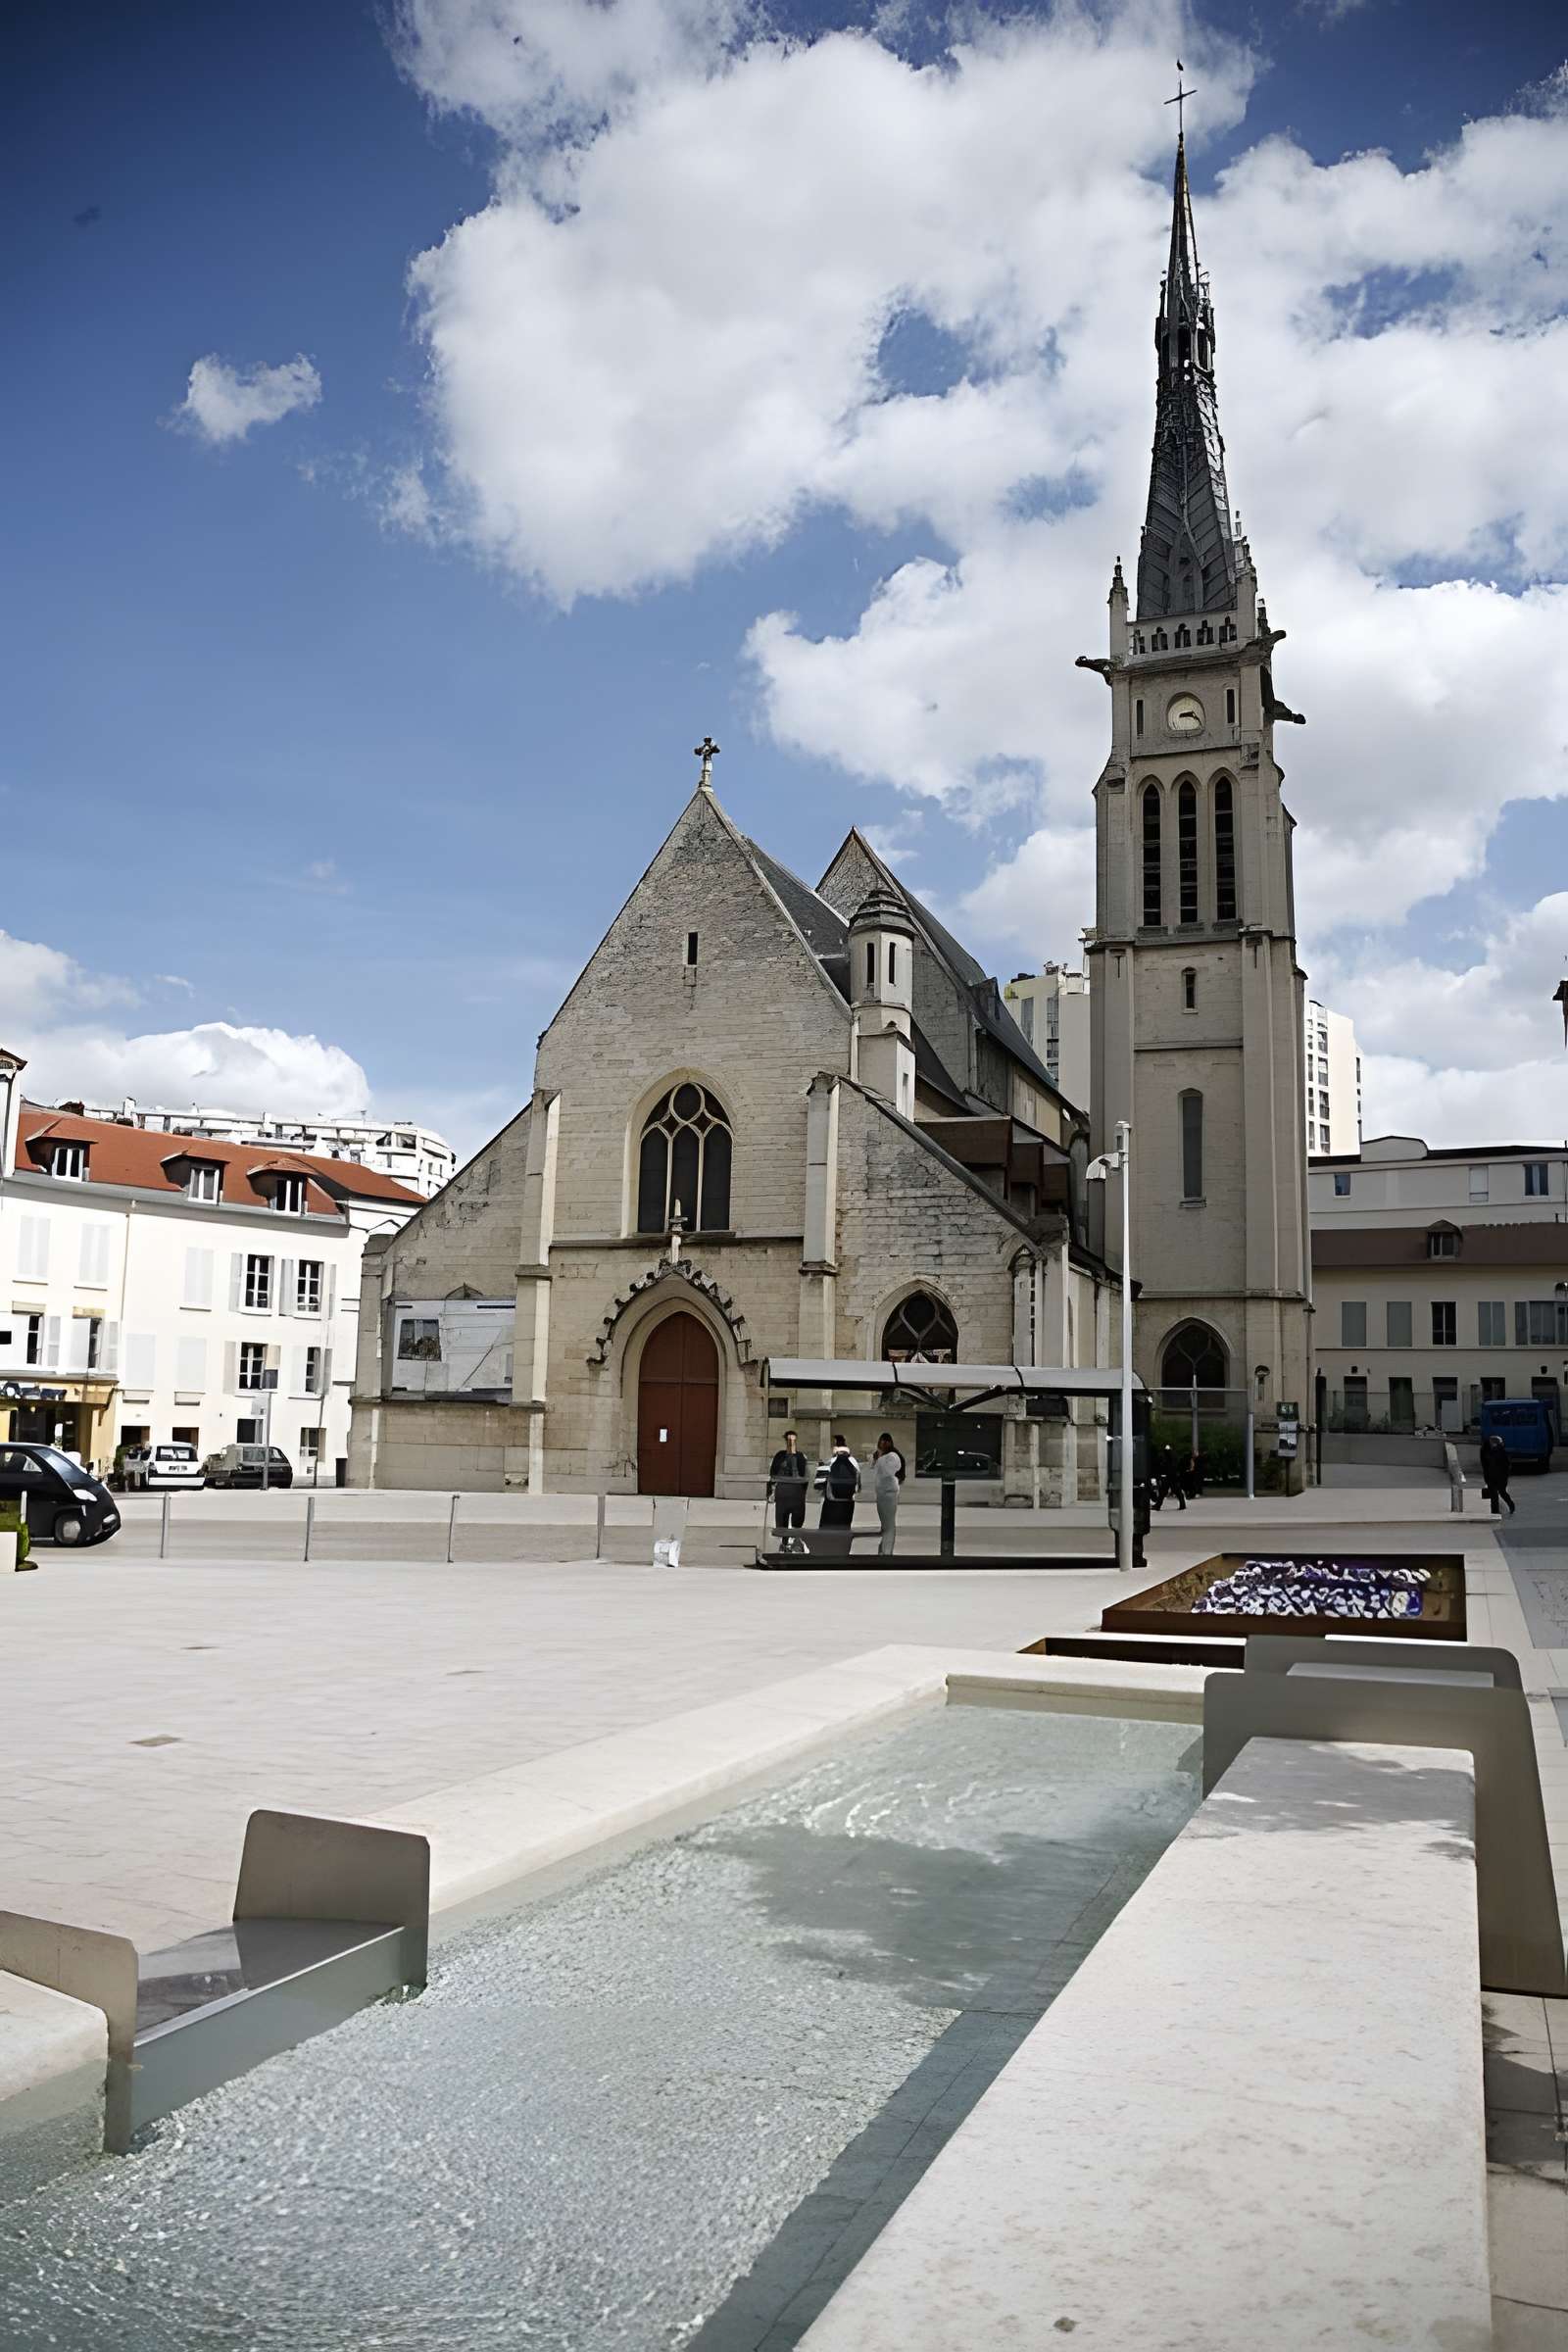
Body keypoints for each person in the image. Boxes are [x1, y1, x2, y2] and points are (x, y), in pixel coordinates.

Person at [768, 1429, 809, 1537]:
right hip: (784, 1492)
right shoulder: (779, 1456)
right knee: (782, 1522)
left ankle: (794, 1542)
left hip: (795, 1493)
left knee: (797, 1521)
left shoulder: (801, 1457)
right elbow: (772, 1474)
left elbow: (806, 1477)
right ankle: (784, 1543)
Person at [872, 1432, 905, 1556]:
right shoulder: (882, 1456)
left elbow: (888, 1472)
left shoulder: (893, 1456)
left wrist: (880, 1458)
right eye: (881, 1441)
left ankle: (887, 1552)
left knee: (889, 1524)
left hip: (889, 1493)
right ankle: (883, 1549)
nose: (883, 1444)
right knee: (885, 1525)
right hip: (881, 1493)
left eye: (885, 1442)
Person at [819, 1435, 860, 1531]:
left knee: (828, 1530)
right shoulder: (854, 1462)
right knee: (844, 1529)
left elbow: (818, 1485)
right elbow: (859, 1485)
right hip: (848, 1502)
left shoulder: (830, 1462)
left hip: (832, 1502)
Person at [1480, 1430, 1515, 1517]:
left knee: (1501, 1492)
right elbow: (1485, 1464)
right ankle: (1495, 1512)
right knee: (1494, 1495)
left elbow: (1506, 1464)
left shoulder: (1500, 1452)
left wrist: (1505, 1474)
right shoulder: (1486, 1451)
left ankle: (1510, 1505)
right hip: (1491, 1475)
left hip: (1499, 1476)